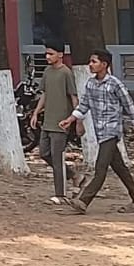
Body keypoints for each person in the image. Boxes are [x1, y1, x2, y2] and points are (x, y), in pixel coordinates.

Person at [59, 49, 134, 214]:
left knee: (100, 169)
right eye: (90, 61)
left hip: (112, 131)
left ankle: (83, 201)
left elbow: (129, 106)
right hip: (100, 132)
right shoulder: (91, 83)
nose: (90, 65)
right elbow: (83, 106)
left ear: (104, 64)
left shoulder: (115, 84)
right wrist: (70, 120)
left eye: (94, 62)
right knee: (120, 168)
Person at [30, 43, 80, 203]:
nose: (47, 57)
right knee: (44, 153)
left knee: (58, 158)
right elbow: (44, 94)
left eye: (51, 54)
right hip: (47, 121)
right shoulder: (47, 72)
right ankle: (74, 175)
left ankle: (61, 194)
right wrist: (36, 112)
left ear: (60, 54)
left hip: (61, 122)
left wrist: (76, 119)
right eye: (46, 54)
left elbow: (73, 97)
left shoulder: (66, 73)